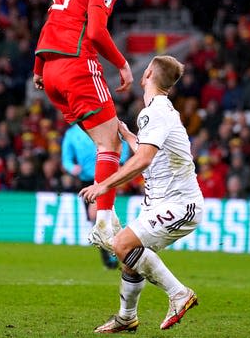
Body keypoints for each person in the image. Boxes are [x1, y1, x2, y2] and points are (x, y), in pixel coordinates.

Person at [33, 0, 164, 251]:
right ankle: (103, 221)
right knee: (110, 145)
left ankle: (103, 217)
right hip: (77, 64)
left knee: (106, 135)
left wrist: (39, 67)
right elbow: (94, 31)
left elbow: (52, 20)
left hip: (51, 70)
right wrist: (122, 63)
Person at [79, 55, 203, 332]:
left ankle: (179, 293)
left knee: (123, 245)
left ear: (147, 73)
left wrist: (105, 184)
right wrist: (127, 134)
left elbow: (145, 160)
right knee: (131, 258)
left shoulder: (154, 112)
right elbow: (149, 153)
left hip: (179, 204)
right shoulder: (162, 111)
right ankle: (126, 317)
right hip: (163, 203)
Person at [61, 124, 132, 269]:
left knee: (95, 214)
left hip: (106, 177)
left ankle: (114, 253)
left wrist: (121, 161)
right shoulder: (71, 134)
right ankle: (116, 251)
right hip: (85, 180)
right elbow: (66, 158)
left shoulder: (100, 125)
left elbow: (121, 143)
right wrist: (72, 167)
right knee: (99, 217)